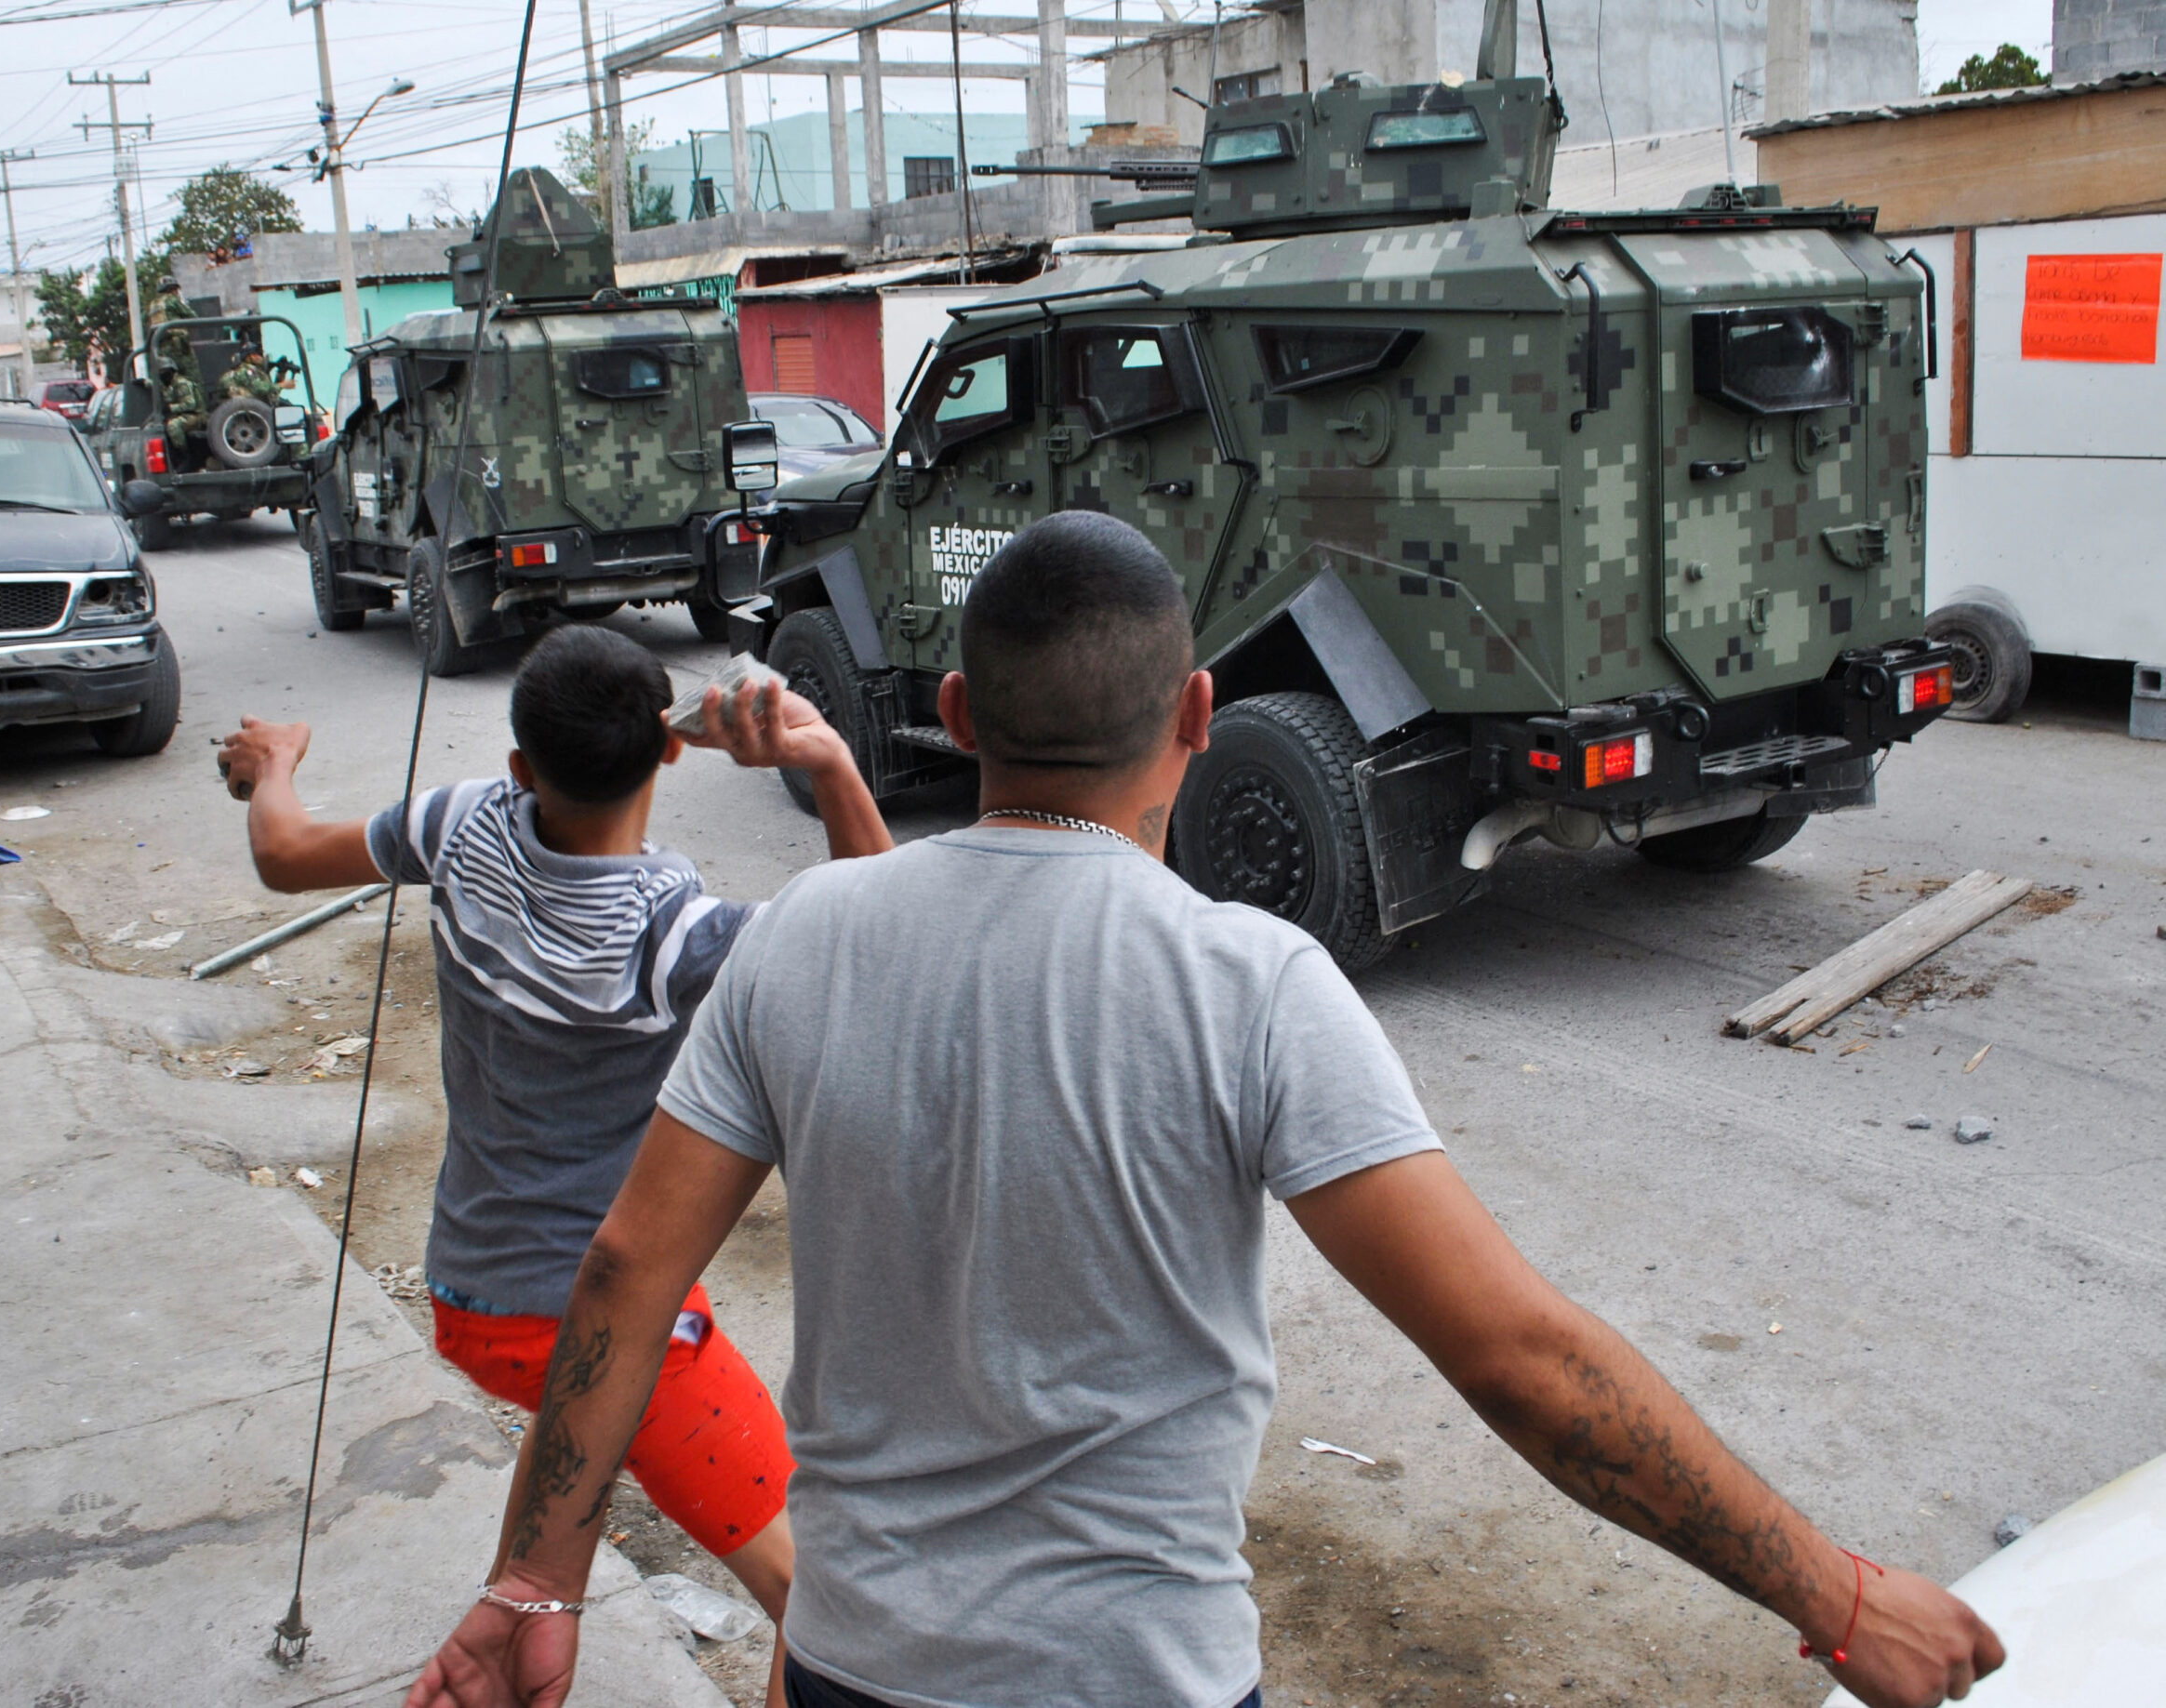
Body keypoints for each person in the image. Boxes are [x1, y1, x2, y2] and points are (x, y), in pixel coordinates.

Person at [404, 512, 2006, 1708]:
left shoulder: (807, 942)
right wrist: (1837, 1595)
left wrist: (535, 1578)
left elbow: (621, 1275)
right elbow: (1520, 1358)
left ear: (957, 716)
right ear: (1195, 717)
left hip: (853, 1671)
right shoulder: (1253, 985)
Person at [219, 626, 894, 1706]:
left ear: (521, 766)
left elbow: (284, 852)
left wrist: (276, 763)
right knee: (822, 1598)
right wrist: (828, 761)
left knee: (568, 1521)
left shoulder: (459, 825)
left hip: (471, 1293)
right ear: (670, 753)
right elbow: (891, 943)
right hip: (603, 1322)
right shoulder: (672, 936)